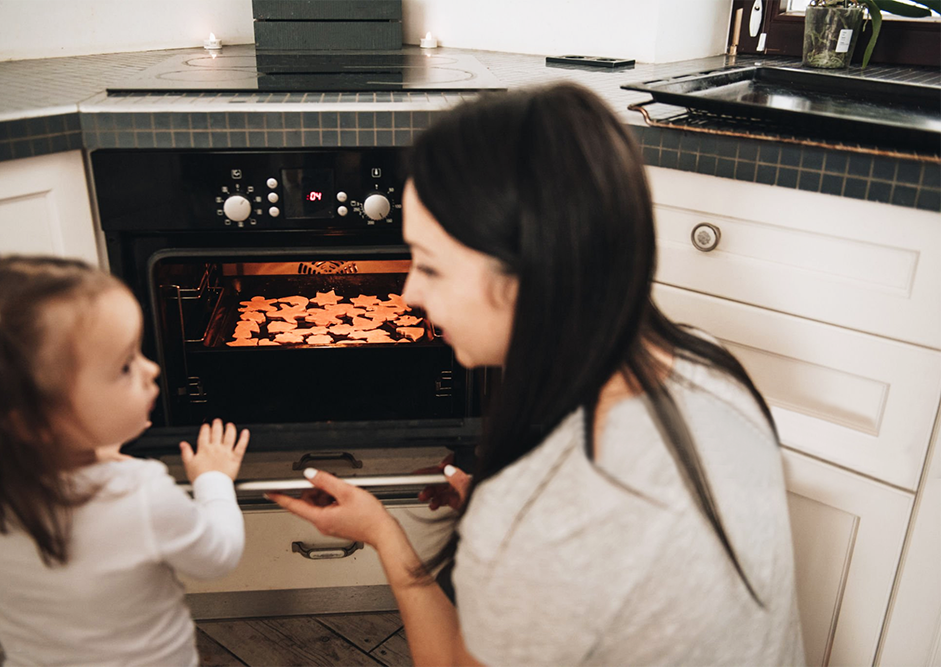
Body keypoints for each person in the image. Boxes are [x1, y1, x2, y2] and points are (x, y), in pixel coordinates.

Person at [270, 82, 805, 666]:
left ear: (528, 276)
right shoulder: (711, 366)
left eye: (430, 266)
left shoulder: (538, 513)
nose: (409, 294)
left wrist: (386, 535)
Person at [0, 208, 250, 666]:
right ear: (36, 421)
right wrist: (213, 480)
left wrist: (89, 450)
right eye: (125, 366)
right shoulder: (141, 494)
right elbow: (218, 556)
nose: (152, 368)